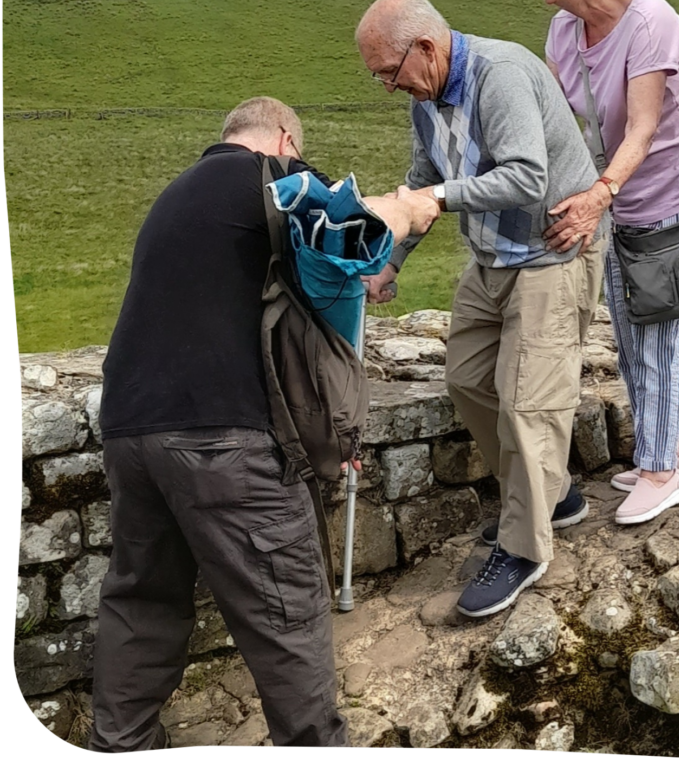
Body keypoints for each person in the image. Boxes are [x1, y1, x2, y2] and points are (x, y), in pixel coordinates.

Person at [89, 97, 440, 750]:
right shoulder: (274, 181)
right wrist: (409, 209)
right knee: (287, 614)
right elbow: (347, 231)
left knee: (143, 603)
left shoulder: (175, 198)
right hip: (223, 440)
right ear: (282, 139)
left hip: (130, 430)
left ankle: (120, 745)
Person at [356, 0, 607, 618]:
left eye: (390, 71)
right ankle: (555, 496)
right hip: (493, 257)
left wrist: (439, 199)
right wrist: (391, 262)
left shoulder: (502, 76)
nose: (388, 87)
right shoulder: (427, 100)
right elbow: (418, 184)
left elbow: (526, 176)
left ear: (426, 48)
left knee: (528, 403)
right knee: (467, 380)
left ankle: (524, 549)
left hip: (550, 256)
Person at [534, 0, 679, 526]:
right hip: (619, 198)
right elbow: (561, 126)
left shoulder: (651, 21)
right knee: (629, 332)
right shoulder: (565, 28)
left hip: (676, 195)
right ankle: (667, 447)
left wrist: (598, 195)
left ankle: (660, 472)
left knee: (663, 338)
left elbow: (644, 126)